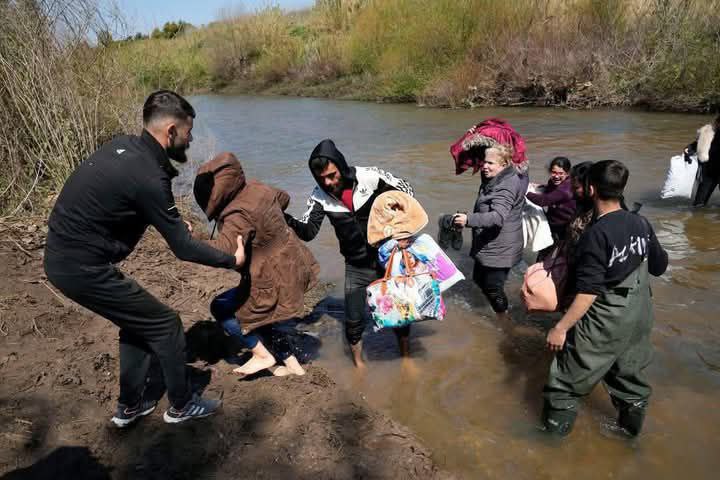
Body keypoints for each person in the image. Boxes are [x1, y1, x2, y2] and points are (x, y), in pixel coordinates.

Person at [44, 91, 245, 426]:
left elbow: (121, 203)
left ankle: (130, 406)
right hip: (80, 267)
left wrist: (163, 218)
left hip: (65, 255)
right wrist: (231, 260)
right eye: (187, 132)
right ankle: (181, 407)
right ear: (170, 132)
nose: (190, 139)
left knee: (138, 322)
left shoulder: (125, 148)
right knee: (166, 325)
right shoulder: (150, 176)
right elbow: (182, 248)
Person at [542, 160, 668, 437]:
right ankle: (630, 442)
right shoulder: (641, 222)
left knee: (564, 384)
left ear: (590, 189)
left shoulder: (596, 233)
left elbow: (588, 291)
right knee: (629, 381)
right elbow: (659, 267)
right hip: (640, 315)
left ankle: (547, 448)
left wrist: (560, 328)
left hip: (606, 318)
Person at [284, 139, 414, 368]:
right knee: (353, 321)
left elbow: (406, 190)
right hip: (356, 266)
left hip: (387, 258)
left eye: (332, 175)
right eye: (322, 178)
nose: (329, 182)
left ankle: (406, 359)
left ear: (341, 167)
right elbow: (308, 231)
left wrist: (403, 230)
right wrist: (282, 217)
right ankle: (359, 366)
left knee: (400, 314)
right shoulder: (319, 196)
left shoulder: (370, 177)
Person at [193, 152, 320, 377]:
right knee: (273, 316)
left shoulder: (236, 214)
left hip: (271, 279)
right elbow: (284, 198)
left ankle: (261, 354)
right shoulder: (258, 188)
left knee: (222, 308)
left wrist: (193, 240)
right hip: (295, 266)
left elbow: (226, 251)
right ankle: (293, 367)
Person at [453, 145, 528, 322]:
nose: (484, 166)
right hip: (492, 243)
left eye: (490, 163)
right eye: (483, 162)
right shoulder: (498, 177)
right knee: (479, 279)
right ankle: (503, 309)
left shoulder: (505, 186)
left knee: (493, 287)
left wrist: (468, 220)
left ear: (504, 164)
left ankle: (504, 318)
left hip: (500, 247)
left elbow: (497, 217)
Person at [526, 156, 576, 242]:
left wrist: (526, 193)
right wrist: (541, 187)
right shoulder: (553, 182)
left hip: (564, 226)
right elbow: (551, 190)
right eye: (554, 172)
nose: (556, 176)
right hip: (553, 221)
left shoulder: (565, 189)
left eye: (561, 173)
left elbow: (544, 201)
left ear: (567, 173)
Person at [684, 114, 720, 206]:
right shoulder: (708, 131)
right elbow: (696, 145)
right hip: (708, 172)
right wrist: (689, 149)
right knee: (699, 204)